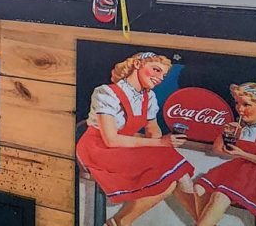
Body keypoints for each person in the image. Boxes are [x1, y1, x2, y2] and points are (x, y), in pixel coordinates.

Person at [76, 52, 197, 226]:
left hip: (125, 146)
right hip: (98, 148)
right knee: (171, 174)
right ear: (138, 64)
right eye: (156, 70)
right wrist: (160, 143)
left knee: (173, 174)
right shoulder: (107, 92)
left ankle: (119, 222)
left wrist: (163, 145)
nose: (160, 78)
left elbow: (152, 129)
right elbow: (111, 140)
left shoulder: (148, 96)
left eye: (163, 75)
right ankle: (120, 221)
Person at [194, 82, 256, 226]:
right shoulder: (241, 129)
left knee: (220, 196)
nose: (240, 109)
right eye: (237, 103)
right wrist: (225, 134)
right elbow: (218, 150)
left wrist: (244, 155)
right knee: (199, 189)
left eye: (246, 105)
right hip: (239, 173)